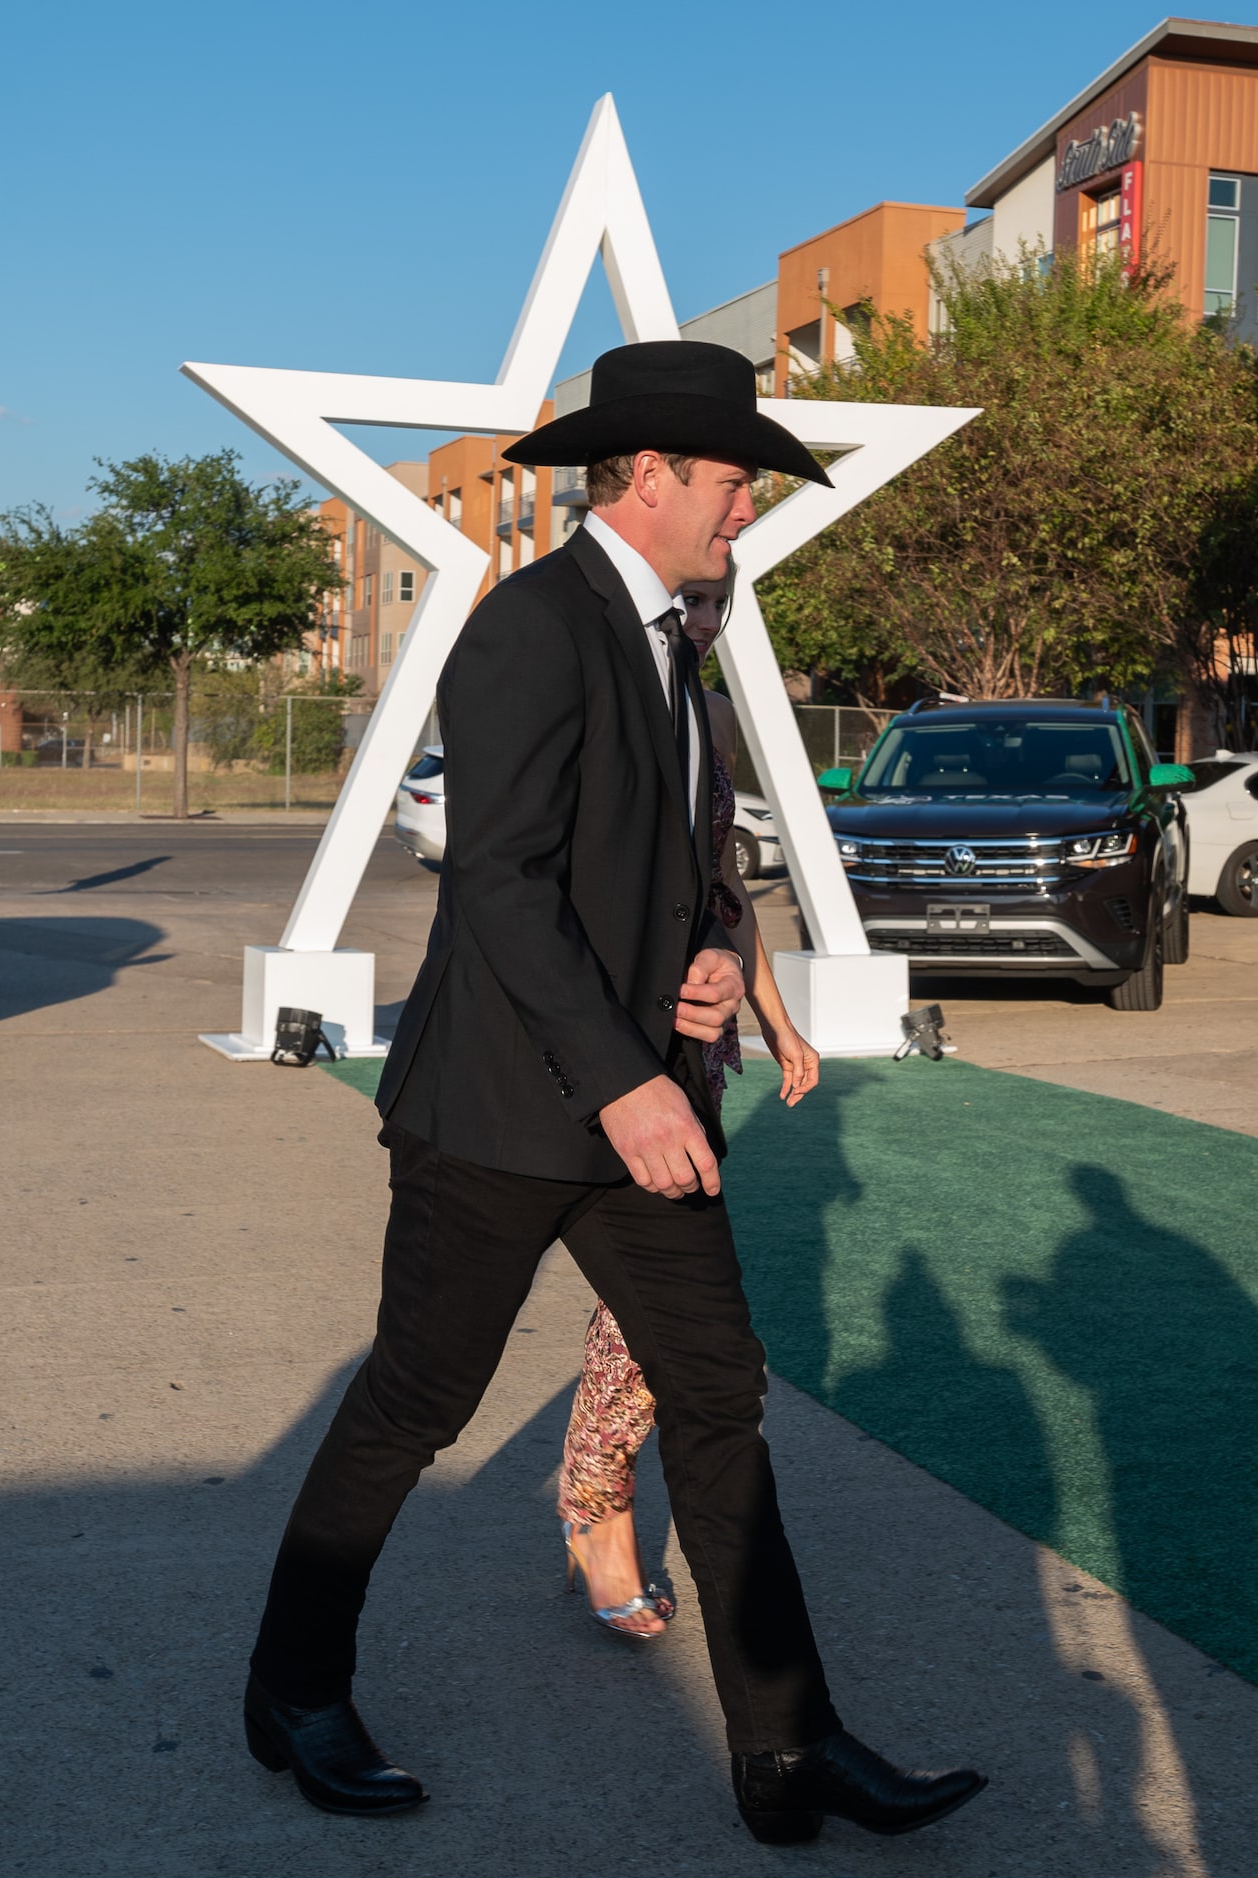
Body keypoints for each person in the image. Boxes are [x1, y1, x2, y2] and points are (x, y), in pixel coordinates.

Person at [243, 341, 983, 1845]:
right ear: (648, 478)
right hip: (505, 1112)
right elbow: (502, 888)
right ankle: (293, 1684)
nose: (742, 513)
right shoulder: (528, 626)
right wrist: (630, 1081)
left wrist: (714, 963)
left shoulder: (683, 639)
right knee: (417, 1399)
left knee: (719, 1396)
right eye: (728, 484)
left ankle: (789, 1744)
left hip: (643, 1098)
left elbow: (688, 867)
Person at [556, 582, 823, 1640]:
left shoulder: (704, 718)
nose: (702, 613)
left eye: (717, 601)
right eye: (689, 599)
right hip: (591, 1050)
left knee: (644, 1313)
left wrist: (775, 1019)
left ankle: (593, 1508)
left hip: (692, 1056)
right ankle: (592, 1507)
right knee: (632, 1316)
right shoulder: (589, 692)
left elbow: (724, 887)